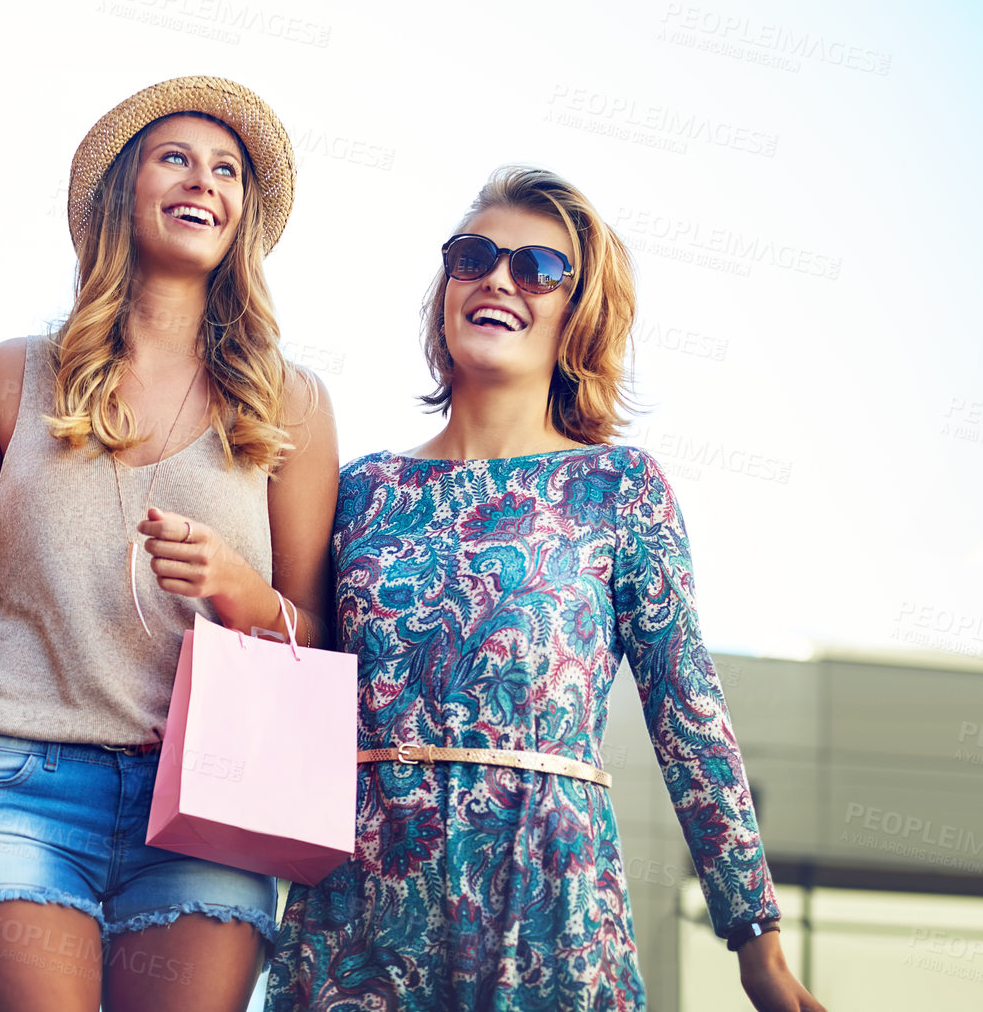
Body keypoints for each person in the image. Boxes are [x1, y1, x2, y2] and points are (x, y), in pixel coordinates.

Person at [265, 167, 823, 1012]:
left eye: (537, 268)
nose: (497, 278)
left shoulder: (617, 487)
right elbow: (292, 666)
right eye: (474, 256)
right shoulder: (359, 489)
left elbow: (689, 714)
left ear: (578, 312)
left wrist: (759, 947)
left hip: (548, 905)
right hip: (357, 914)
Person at [0, 77, 339, 1012]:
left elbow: (322, 644)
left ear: (243, 217)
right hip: (20, 776)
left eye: (226, 169)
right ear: (123, 191)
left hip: (213, 798)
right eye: (176, 158)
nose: (205, 182)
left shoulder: (290, 403)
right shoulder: (12, 375)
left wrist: (236, 589)